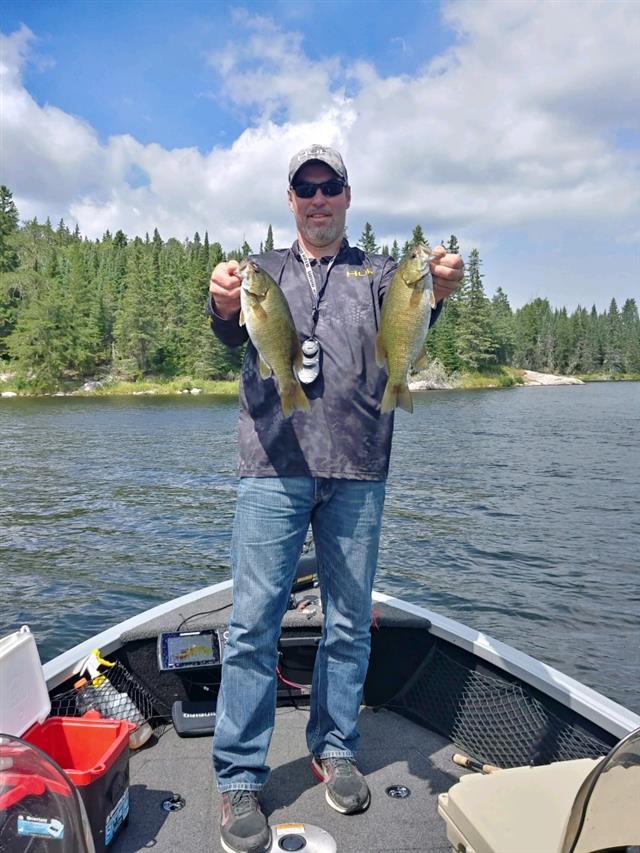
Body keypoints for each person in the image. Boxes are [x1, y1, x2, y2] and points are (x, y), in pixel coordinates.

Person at [208, 144, 464, 853]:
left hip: (358, 464)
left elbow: (412, 314)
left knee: (349, 622)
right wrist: (224, 300)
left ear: (347, 197)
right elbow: (230, 323)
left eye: (330, 187)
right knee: (253, 626)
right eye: (306, 188)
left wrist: (440, 287)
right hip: (272, 465)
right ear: (290, 199)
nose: (318, 199)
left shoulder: (379, 272)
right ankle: (239, 775)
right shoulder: (263, 270)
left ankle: (335, 746)